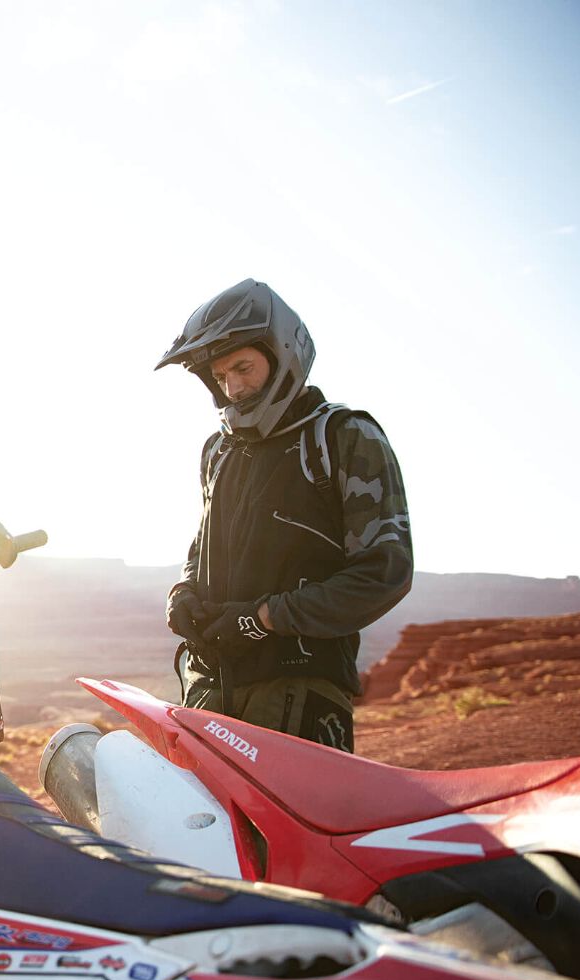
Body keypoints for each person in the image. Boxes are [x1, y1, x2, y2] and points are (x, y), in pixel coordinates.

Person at [155, 278, 413, 752]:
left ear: (282, 353)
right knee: (199, 826)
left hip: (298, 695)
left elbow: (385, 572)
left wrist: (265, 617)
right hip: (208, 690)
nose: (233, 387)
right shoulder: (219, 451)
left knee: (285, 830)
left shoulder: (343, 437)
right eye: (220, 376)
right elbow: (203, 548)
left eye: (243, 367)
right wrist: (184, 592)